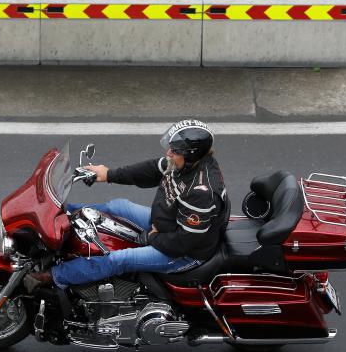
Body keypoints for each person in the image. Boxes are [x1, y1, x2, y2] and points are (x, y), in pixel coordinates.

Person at [24, 119, 230, 290]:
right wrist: (108, 174)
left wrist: (154, 237)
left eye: (174, 150)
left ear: (191, 154)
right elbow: (151, 170)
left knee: (118, 260)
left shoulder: (202, 192)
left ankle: (55, 276)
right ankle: (58, 217)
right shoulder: (183, 162)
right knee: (118, 206)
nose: (168, 153)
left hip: (183, 253)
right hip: (166, 225)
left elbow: (184, 244)